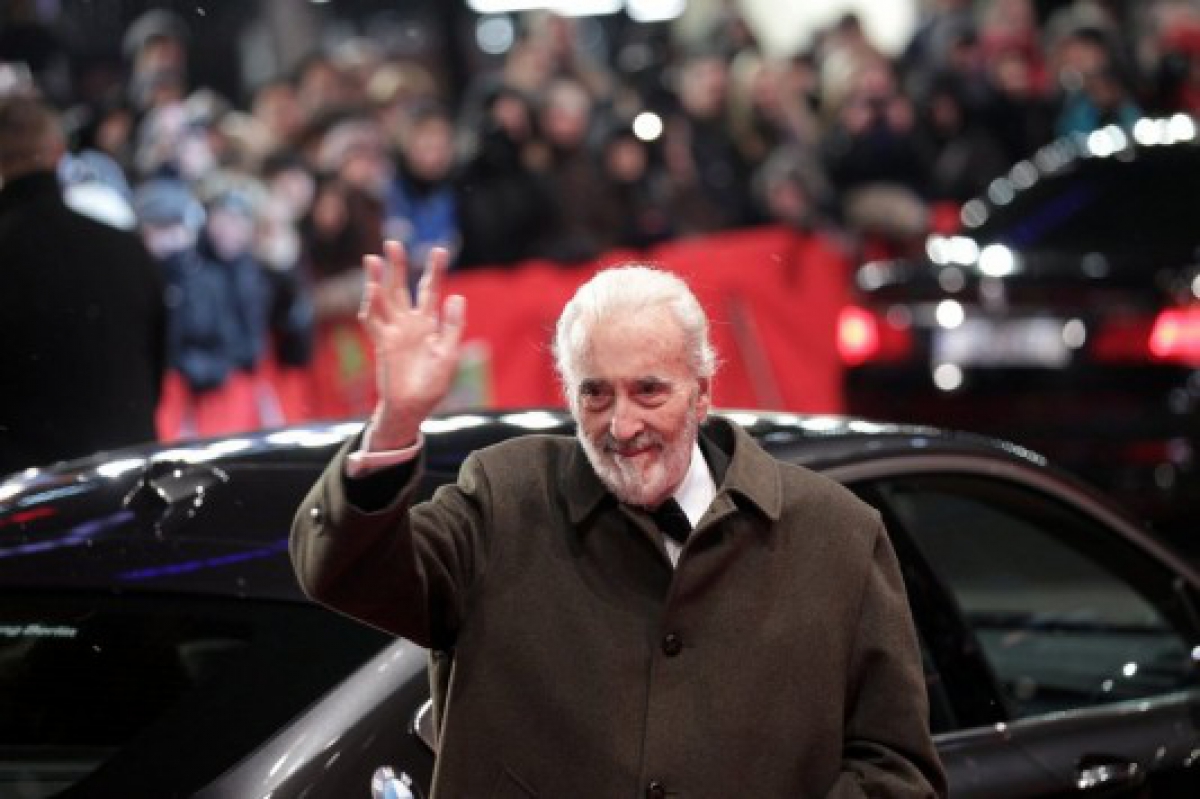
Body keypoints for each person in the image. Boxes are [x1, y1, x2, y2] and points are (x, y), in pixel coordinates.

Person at [291, 241, 947, 798]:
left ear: (703, 392)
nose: (623, 425)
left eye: (649, 390)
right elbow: (345, 573)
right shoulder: (502, 498)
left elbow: (897, 771)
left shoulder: (838, 534)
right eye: (596, 394)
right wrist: (396, 421)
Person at [0, 94, 165, 475]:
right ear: (58, 152)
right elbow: (153, 370)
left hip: (25, 494)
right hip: (127, 481)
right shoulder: (125, 248)